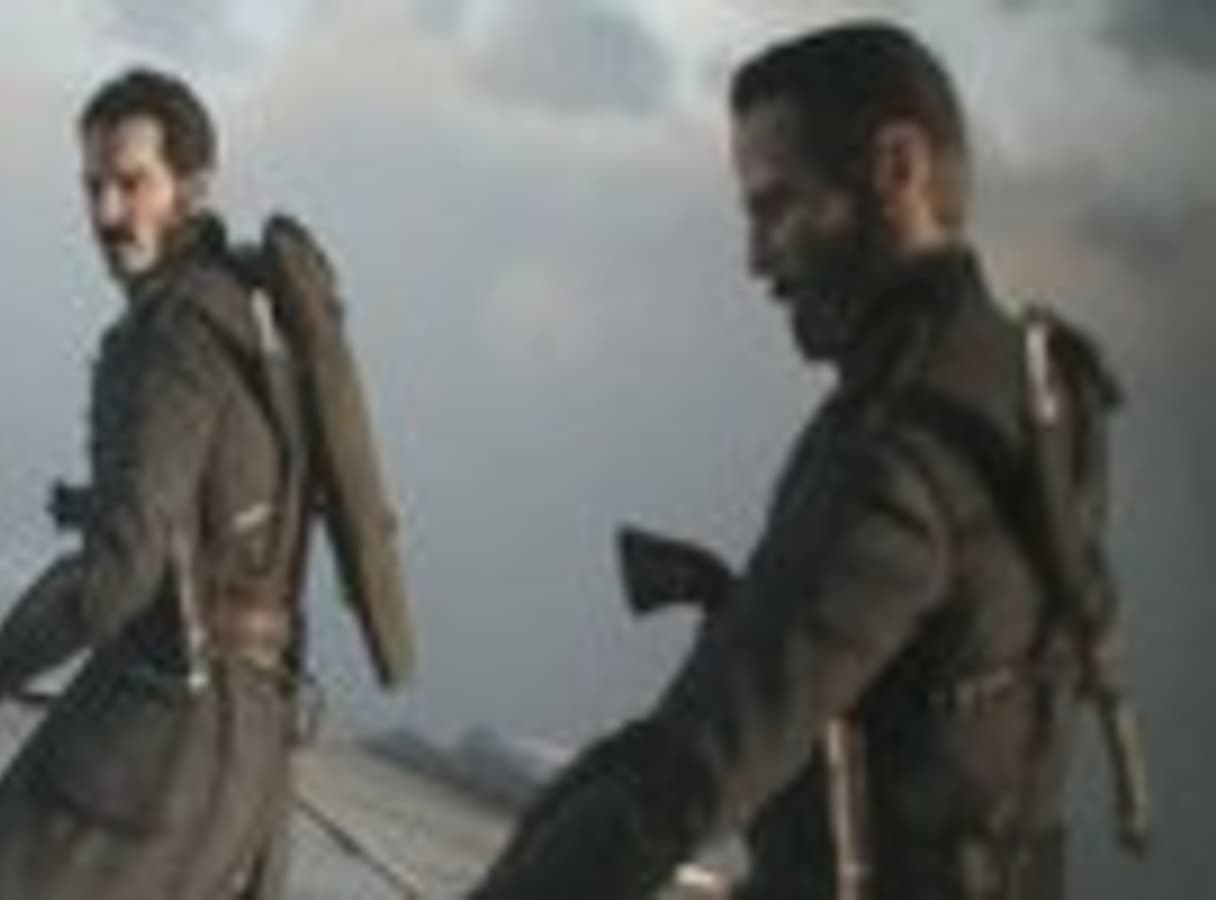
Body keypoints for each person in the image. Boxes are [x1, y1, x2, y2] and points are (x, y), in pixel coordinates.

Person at [473, 21, 1133, 900]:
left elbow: (694, 770)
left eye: (776, 206)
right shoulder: (1037, 385)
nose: (756, 260)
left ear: (898, 168)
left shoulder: (899, 442)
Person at [0, 67, 330, 899]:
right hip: (248, 760)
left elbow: (119, 576)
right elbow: (238, 531)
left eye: (132, 184)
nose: (105, 213)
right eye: (92, 186)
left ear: (192, 186)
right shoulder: (255, 320)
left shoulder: (173, 333)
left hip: (155, 750)